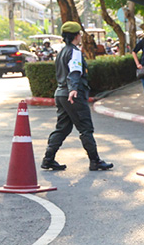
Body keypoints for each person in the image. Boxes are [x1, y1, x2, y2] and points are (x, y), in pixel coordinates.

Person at [40, 21, 113, 172]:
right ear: (76, 36)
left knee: (62, 128)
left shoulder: (61, 52)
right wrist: (73, 89)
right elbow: (74, 71)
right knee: (86, 128)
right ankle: (95, 161)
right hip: (72, 95)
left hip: (61, 93)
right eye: (79, 34)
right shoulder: (75, 52)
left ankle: (48, 159)